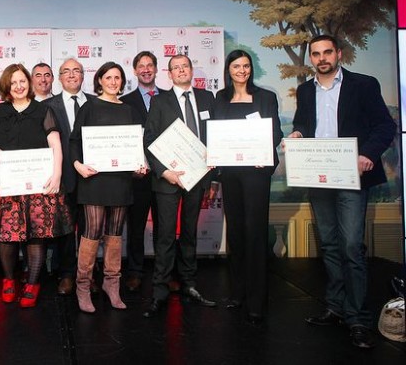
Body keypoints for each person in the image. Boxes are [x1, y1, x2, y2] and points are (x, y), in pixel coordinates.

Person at [289, 34, 395, 349]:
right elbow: (303, 125)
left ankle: (358, 317)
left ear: (339, 54)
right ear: (311, 58)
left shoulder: (364, 84)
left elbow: (385, 127)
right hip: (319, 177)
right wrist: (296, 133)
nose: (321, 58)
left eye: (327, 52)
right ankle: (336, 306)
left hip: (351, 175)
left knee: (351, 246)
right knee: (331, 245)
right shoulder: (306, 90)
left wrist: (368, 154)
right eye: (316, 54)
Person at [0, 63, 73, 307]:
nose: (19, 86)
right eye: (13, 82)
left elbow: (56, 146)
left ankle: (32, 283)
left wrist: (56, 176)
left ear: (29, 84)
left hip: (38, 183)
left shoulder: (43, 110)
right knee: (6, 236)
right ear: (6, 86)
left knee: (36, 236)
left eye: (22, 81)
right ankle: (9, 280)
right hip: (6, 182)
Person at [143, 54, 217, 318]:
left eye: (185, 66)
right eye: (176, 68)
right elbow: (149, 139)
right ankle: (159, 292)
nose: (181, 70)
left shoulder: (208, 98)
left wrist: (212, 176)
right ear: (169, 74)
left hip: (199, 178)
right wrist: (164, 172)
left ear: (191, 70)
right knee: (164, 237)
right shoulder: (159, 101)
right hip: (168, 180)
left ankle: (189, 285)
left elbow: (215, 138)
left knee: (189, 233)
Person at [70, 62, 147, 313]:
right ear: (100, 80)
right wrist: (78, 165)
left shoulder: (130, 110)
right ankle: (83, 286)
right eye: (109, 77)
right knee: (91, 231)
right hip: (93, 179)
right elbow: (74, 141)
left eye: (118, 78)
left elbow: (138, 144)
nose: (114, 82)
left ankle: (112, 284)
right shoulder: (89, 107)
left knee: (114, 235)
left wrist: (140, 165)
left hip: (121, 180)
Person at [213, 49, 282, 326]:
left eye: (246, 66)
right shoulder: (221, 98)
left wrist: (262, 153)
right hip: (230, 173)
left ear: (250, 69)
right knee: (237, 235)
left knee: (254, 234)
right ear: (228, 70)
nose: (241, 70)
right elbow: (215, 132)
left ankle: (257, 300)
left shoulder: (266, 97)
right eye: (236, 66)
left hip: (256, 173)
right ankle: (238, 292)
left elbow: (275, 132)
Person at [45, 58, 94, 296]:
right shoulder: (49, 105)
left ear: (83, 76)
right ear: (60, 77)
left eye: (77, 71)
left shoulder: (96, 103)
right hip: (63, 177)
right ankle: (66, 274)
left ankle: (86, 275)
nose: (72, 75)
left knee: (90, 230)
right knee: (65, 229)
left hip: (94, 177)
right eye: (67, 71)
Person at [119, 50, 165, 293]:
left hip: (166, 175)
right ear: (135, 71)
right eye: (141, 66)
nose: (146, 69)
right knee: (136, 227)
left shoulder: (169, 98)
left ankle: (164, 272)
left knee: (165, 228)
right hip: (138, 176)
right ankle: (135, 271)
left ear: (156, 69)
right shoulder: (125, 102)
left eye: (150, 65)